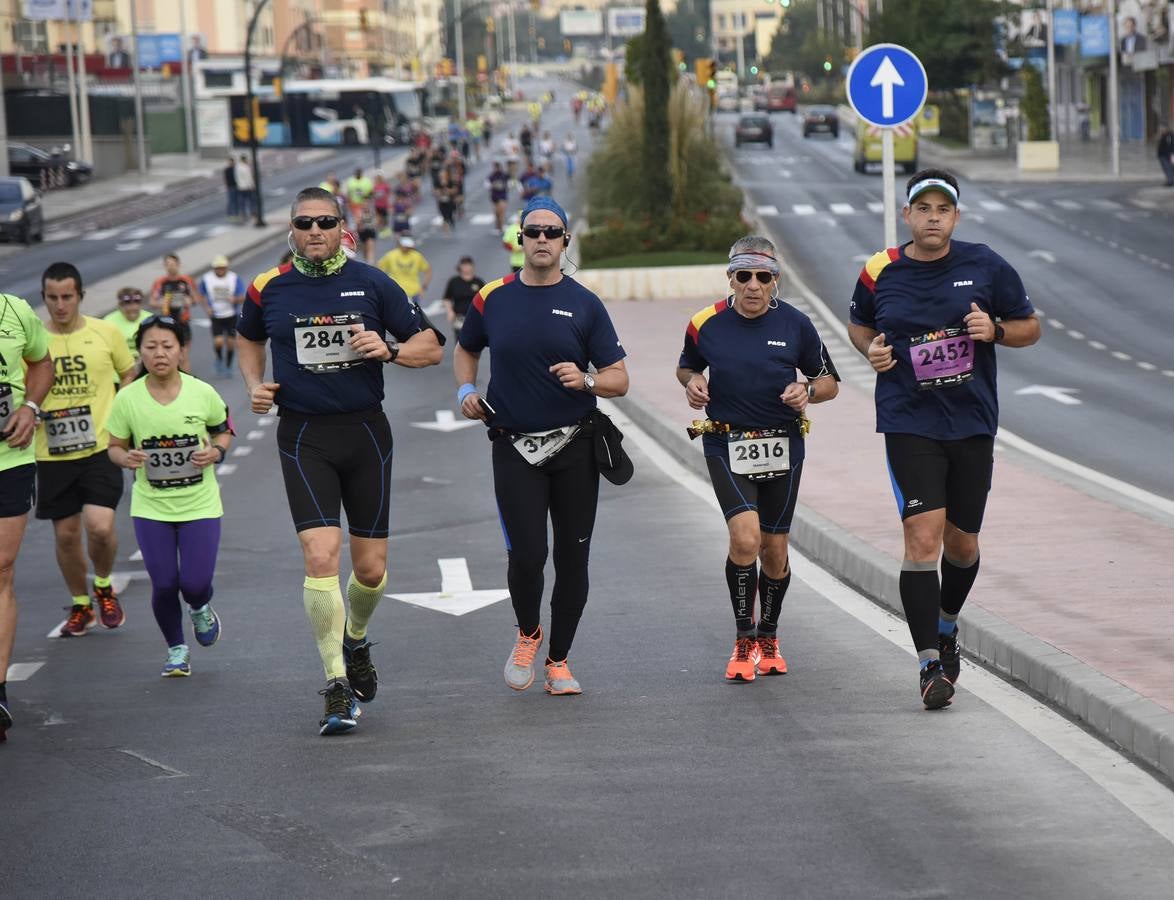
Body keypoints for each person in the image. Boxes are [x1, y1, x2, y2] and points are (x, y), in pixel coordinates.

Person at [237, 187, 443, 734]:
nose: (315, 231)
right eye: (304, 223)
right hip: (303, 434)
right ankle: (335, 685)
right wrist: (256, 385)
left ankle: (355, 640)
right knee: (320, 553)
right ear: (292, 228)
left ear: (341, 226)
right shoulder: (268, 288)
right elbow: (246, 338)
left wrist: (391, 350)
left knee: (370, 569)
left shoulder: (372, 282)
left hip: (365, 432)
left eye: (325, 222)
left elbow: (432, 344)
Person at [846, 169, 1041, 710]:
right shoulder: (880, 269)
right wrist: (871, 352)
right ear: (907, 215)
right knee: (922, 537)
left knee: (962, 544)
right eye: (923, 208)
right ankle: (930, 663)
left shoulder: (984, 264)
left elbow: (1029, 325)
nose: (933, 217)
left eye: (943, 209)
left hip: (971, 423)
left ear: (956, 217)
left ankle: (948, 623)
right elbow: (859, 324)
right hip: (909, 420)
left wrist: (995, 331)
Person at [454, 195, 630, 697]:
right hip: (514, 447)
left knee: (574, 559)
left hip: (575, 447)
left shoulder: (584, 303)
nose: (542, 241)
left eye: (552, 233)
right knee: (528, 554)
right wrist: (467, 390)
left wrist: (587, 380)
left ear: (565, 241)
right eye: (533, 232)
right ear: (520, 240)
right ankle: (528, 633)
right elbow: (466, 350)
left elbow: (619, 378)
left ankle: (559, 660)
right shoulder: (493, 297)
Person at [678, 237, 840, 682]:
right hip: (726, 443)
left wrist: (806, 391)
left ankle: (769, 635)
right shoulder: (705, 322)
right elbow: (686, 366)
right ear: (730, 277)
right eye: (743, 276)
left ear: (775, 282)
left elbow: (829, 382)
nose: (752, 285)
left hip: (783, 443)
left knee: (774, 550)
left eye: (763, 277)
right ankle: (743, 638)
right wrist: (692, 383)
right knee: (745, 539)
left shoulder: (797, 325)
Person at [106, 316, 233, 678]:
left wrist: (217, 453)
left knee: (193, 583)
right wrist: (125, 457)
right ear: (140, 353)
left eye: (167, 346)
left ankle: (199, 607)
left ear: (181, 350)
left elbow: (223, 431)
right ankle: (177, 649)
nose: (159, 353)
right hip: (151, 506)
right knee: (163, 583)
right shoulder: (127, 399)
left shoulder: (201, 392)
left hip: (200, 504)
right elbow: (114, 447)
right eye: (150, 347)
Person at [37, 263, 137, 637]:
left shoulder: (105, 332)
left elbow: (129, 372)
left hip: (99, 446)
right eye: (52, 298)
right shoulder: (33, 338)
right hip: (52, 451)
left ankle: (104, 584)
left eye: (67, 297)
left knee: (100, 526)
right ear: (44, 298)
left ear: (80, 295)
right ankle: (81, 605)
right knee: (65, 534)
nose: (60, 305)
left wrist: (120, 408)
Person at [0, 291, 54, 742]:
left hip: (9, 459)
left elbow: (42, 363)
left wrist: (29, 407)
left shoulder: (15, 311)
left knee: (1, 568)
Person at [197, 255, 246, 376]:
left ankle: (228, 366)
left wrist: (234, 299)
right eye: (217, 268)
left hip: (231, 315)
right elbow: (200, 295)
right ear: (214, 268)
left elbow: (243, 297)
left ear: (226, 267)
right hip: (216, 316)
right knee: (218, 341)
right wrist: (207, 308)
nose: (220, 270)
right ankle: (219, 359)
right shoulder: (207, 279)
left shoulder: (234, 278)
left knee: (230, 343)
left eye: (222, 268)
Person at [377, 235, 432, 303]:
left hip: (414, 293)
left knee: (413, 313)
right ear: (400, 244)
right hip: (395, 292)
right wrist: (385, 287)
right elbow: (379, 269)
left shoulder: (416, 256)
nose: (407, 248)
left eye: (408, 246)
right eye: (405, 245)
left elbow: (428, 270)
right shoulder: (391, 255)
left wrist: (424, 287)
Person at [442, 256, 486, 338]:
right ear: (460, 267)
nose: (466, 268)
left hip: (475, 318)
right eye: (464, 265)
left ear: (472, 267)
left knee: (474, 342)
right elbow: (447, 298)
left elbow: (486, 299)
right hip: (459, 317)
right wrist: (449, 311)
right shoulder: (454, 282)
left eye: (468, 265)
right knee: (460, 341)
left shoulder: (478, 282)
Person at [151, 253, 198, 326]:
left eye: (172, 264)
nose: (170, 267)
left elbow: (195, 299)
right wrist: (164, 302)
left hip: (183, 320)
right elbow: (152, 302)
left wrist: (189, 301)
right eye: (167, 265)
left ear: (178, 264)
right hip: (167, 320)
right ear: (165, 266)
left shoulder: (187, 280)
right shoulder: (160, 282)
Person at [103, 286, 147, 363]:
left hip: (145, 361)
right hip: (118, 361)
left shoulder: (150, 319)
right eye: (128, 304)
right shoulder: (108, 321)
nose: (132, 307)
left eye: (136, 303)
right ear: (119, 305)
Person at [487, 161, 510, 230]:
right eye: (495, 168)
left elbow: (510, 183)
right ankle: (498, 227)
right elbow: (487, 185)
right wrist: (493, 185)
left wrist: (504, 186)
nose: (496, 169)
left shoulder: (504, 175)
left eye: (497, 167)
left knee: (501, 212)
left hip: (502, 196)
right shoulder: (492, 176)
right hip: (494, 197)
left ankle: (502, 226)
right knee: (496, 213)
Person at [235, 154, 256, 220]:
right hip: (247, 186)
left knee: (242, 201)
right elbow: (248, 177)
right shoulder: (246, 167)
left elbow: (236, 177)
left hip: (240, 186)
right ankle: (252, 212)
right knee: (250, 200)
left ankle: (243, 213)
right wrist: (252, 185)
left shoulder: (237, 167)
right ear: (244, 159)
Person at [372, 171, 392, 237]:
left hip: (384, 205)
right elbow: (373, 195)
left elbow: (389, 191)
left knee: (385, 218)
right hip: (377, 205)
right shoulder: (375, 186)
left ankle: (386, 230)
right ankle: (381, 230)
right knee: (379, 219)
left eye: (378, 178)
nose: (377, 179)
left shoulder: (385, 185)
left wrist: (388, 202)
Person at [223, 156, 239, 221]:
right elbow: (226, 179)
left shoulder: (236, 169)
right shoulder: (227, 170)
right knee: (231, 201)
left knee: (236, 201)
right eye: (230, 161)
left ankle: (236, 214)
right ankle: (230, 214)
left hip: (236, 186)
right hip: (231, 187)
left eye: (232, 161)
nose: (231, 163)